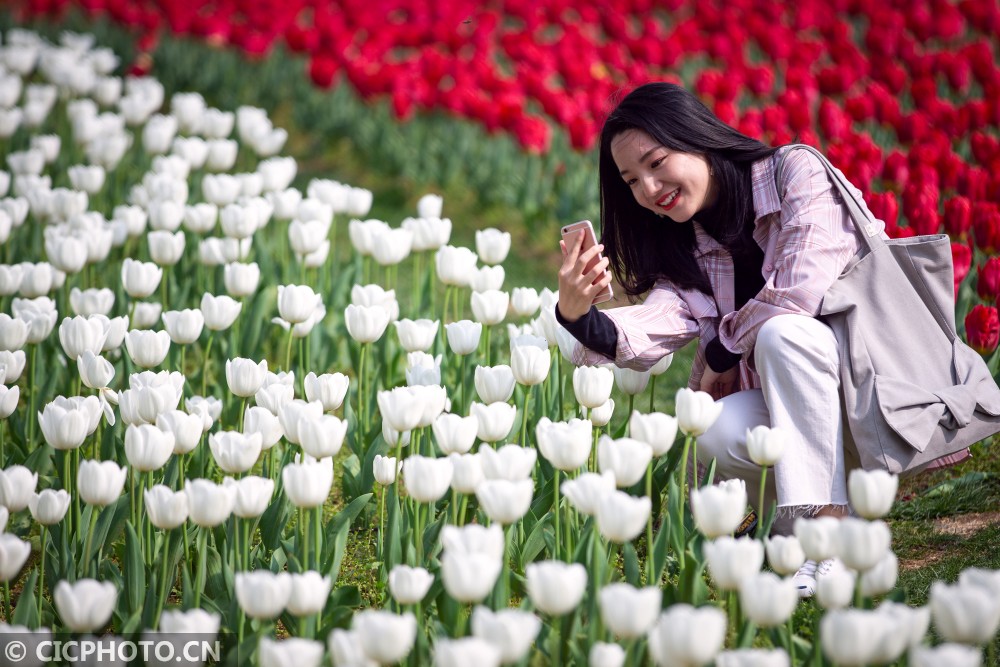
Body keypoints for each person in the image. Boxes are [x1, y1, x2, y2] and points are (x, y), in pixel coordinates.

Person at [556, 82, 876, 597]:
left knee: (783, 334)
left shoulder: (795, 172)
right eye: (632, 180)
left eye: (657, 162)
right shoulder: (692, 248)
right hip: (803, 420)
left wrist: (722, 351)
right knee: (714, 427)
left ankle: (829, 537)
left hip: (864, 394)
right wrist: (576, 314)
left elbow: (799, 289)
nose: (649, 188)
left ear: (696, 137)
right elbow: (652, 324)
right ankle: (815, 522)